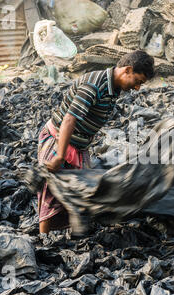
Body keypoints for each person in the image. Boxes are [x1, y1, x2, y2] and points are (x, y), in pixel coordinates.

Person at [37, 50, 155, 234]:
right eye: (138, 81)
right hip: (59, 141)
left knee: (79, 194)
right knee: (52, 193)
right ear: (128, 70)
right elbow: (69, 119)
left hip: (79, 145)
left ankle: (65, 238)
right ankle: (42, 241)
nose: (137, 88)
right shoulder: (94, 85)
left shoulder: (114, 88)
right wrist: (60, 156)